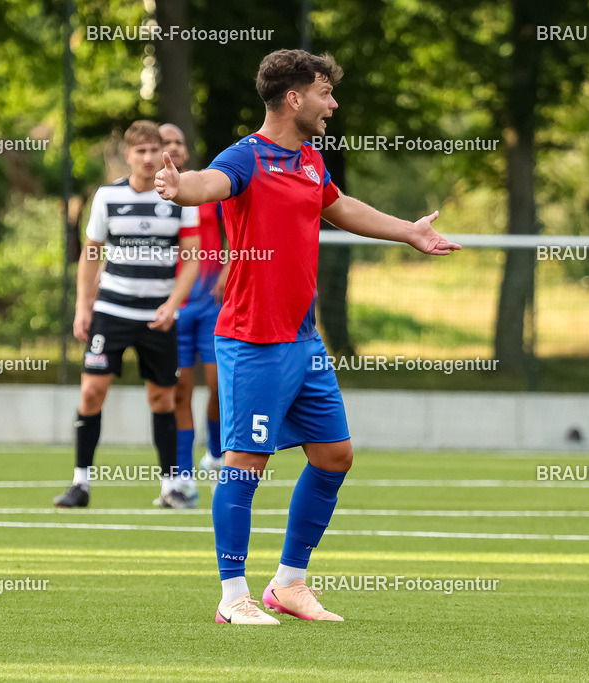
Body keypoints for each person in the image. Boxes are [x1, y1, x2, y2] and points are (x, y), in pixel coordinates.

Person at [155, 49, 460, 625]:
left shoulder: (311, 161)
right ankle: (232, 596)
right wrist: (180, 187)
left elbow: (339, 207)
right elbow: (209, 183)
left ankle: (289, 583)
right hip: (253, 340)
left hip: (303, 341)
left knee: (335, 455)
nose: (333, 104)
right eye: (325, 92)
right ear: (294, 98)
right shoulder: (245, 157)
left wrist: (408, 234)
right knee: (245, 464)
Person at [54, 120, 200, 508]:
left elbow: (191, 259)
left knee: (163, 400)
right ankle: (80, 483)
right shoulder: (106, 197)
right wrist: (84, 305)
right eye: (142, 151)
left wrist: (172, 306)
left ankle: (170, 488)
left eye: (156, 150)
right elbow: (91, 254)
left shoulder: (180, 196)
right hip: (111, 312)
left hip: (158, 317)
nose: (150, 157)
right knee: (91, 391)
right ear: (128, 155)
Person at [156, 124, 229, 509]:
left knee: (218, 387)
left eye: (179, 142)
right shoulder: (148, 196)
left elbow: (237, 233)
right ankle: (182, 479)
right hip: (171, 306)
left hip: (211, 304)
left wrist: (228, 270)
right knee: (179, 391)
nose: (174, 148)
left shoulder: (206, 188)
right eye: (166, 143)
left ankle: (215, 456)